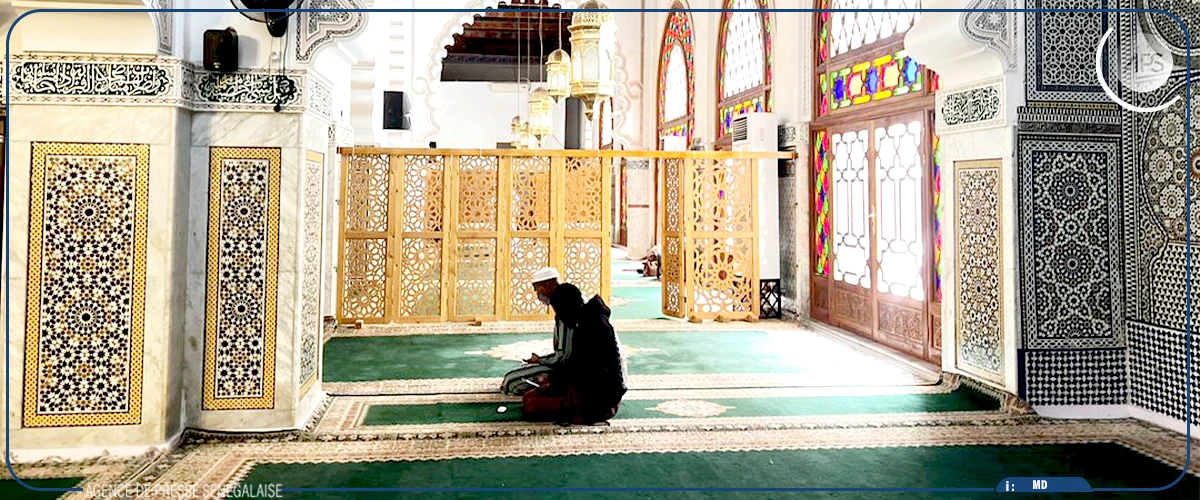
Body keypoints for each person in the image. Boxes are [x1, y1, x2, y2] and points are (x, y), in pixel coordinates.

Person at [501, 267, 628, 425]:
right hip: (585, 386)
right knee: (529, 398)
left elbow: (584, 371)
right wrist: (553, 385)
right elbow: (576, 365)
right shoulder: (584, 321)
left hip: (600, 398)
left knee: (531, 405)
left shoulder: (592, 327)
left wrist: (555, 385)